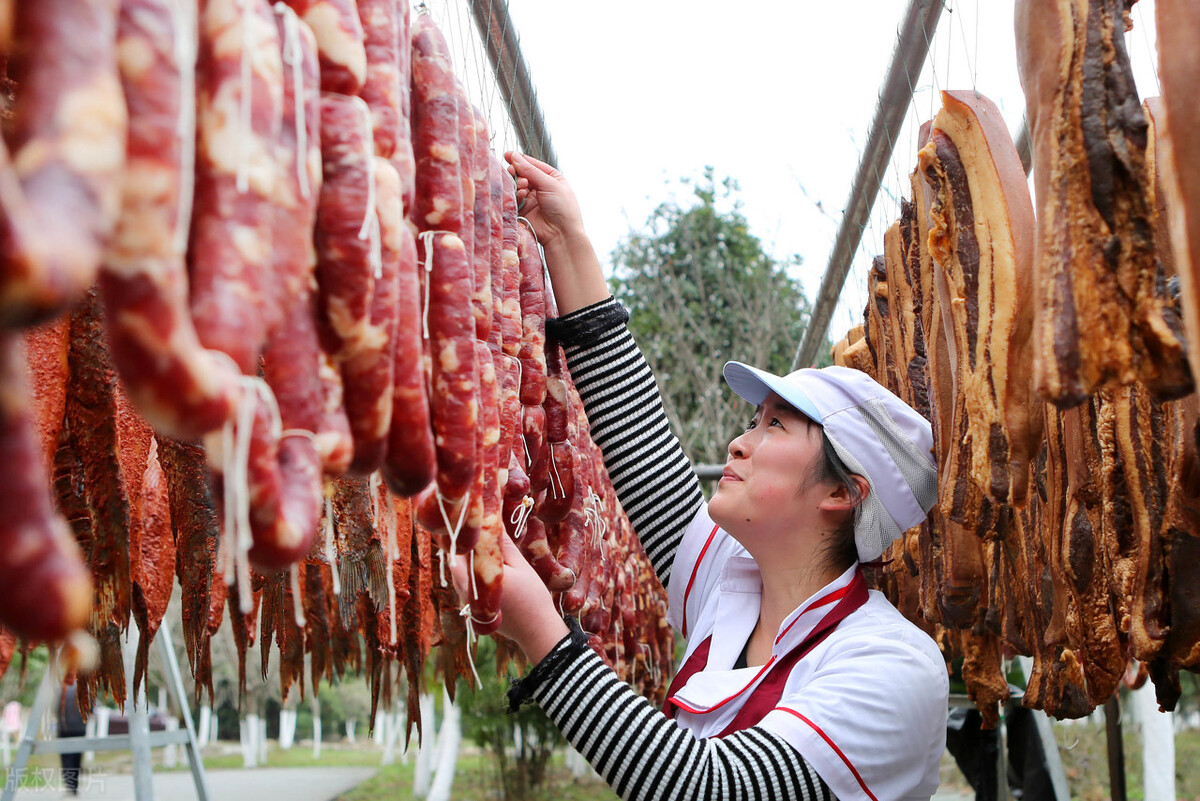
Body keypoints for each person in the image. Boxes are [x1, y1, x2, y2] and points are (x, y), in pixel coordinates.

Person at [483, 152, 949, 801]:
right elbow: (642, 446)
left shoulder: (892, 665)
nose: (738, 442)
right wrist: (565, 237)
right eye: (754, 420)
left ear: (842, 492)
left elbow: (710, 788)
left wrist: (539, 626)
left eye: (776, 425)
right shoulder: (731, 587)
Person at [57, 676, 88, 796]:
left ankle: (69, 786)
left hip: (64, 728)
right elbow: (90, 706)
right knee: (77, 758)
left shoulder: (61, 688)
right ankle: (74, 786)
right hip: (80, 728)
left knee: (66, 758)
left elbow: (56, 707)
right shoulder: (84, 687)